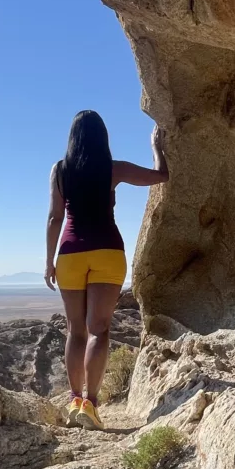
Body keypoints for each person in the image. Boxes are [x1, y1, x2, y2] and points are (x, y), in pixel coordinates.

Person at [45, 110, 169, 430]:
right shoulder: (114, 169)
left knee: (75, 330)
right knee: (99, 330)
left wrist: (49, 262)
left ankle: (74, 400)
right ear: (103, 138)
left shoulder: (59, 171)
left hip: (70, 254)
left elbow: (54, 218)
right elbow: (160, 176)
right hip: (107, 251)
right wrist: (157, 147)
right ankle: (92, 404)